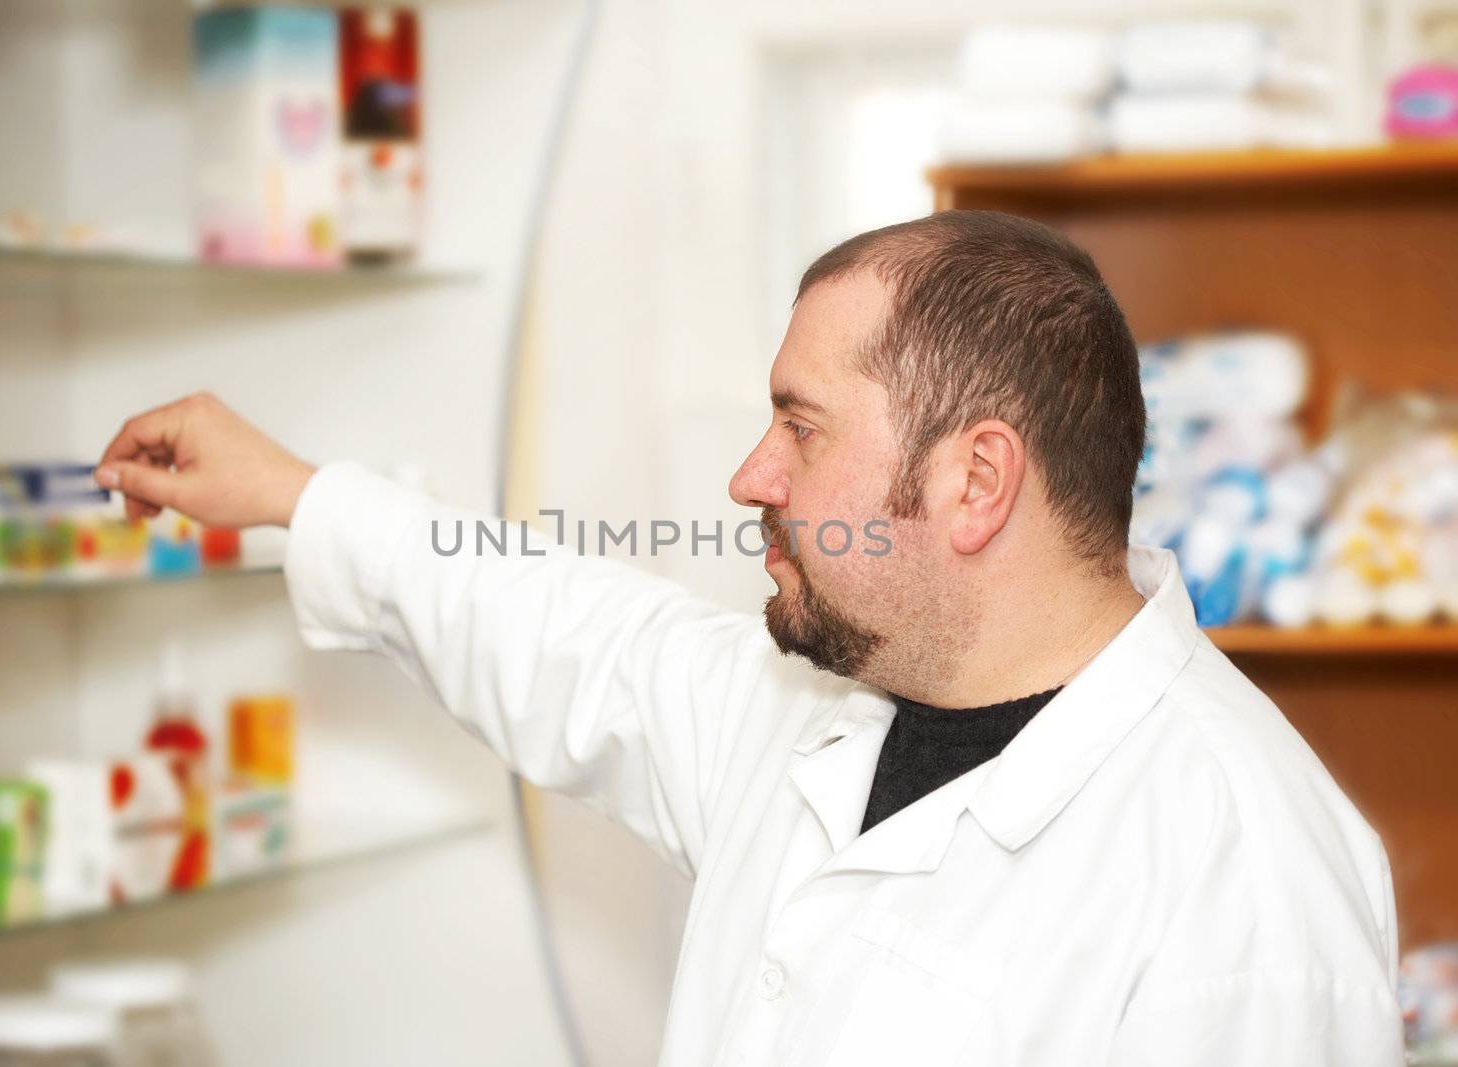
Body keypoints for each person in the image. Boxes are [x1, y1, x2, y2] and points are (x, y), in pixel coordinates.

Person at [95, 211, 1402, 1066]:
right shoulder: (835, 705)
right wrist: (296, 492)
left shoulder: (1245, 872)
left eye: (803, 425)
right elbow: (575, 636)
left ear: (973, 481)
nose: (750, 475)